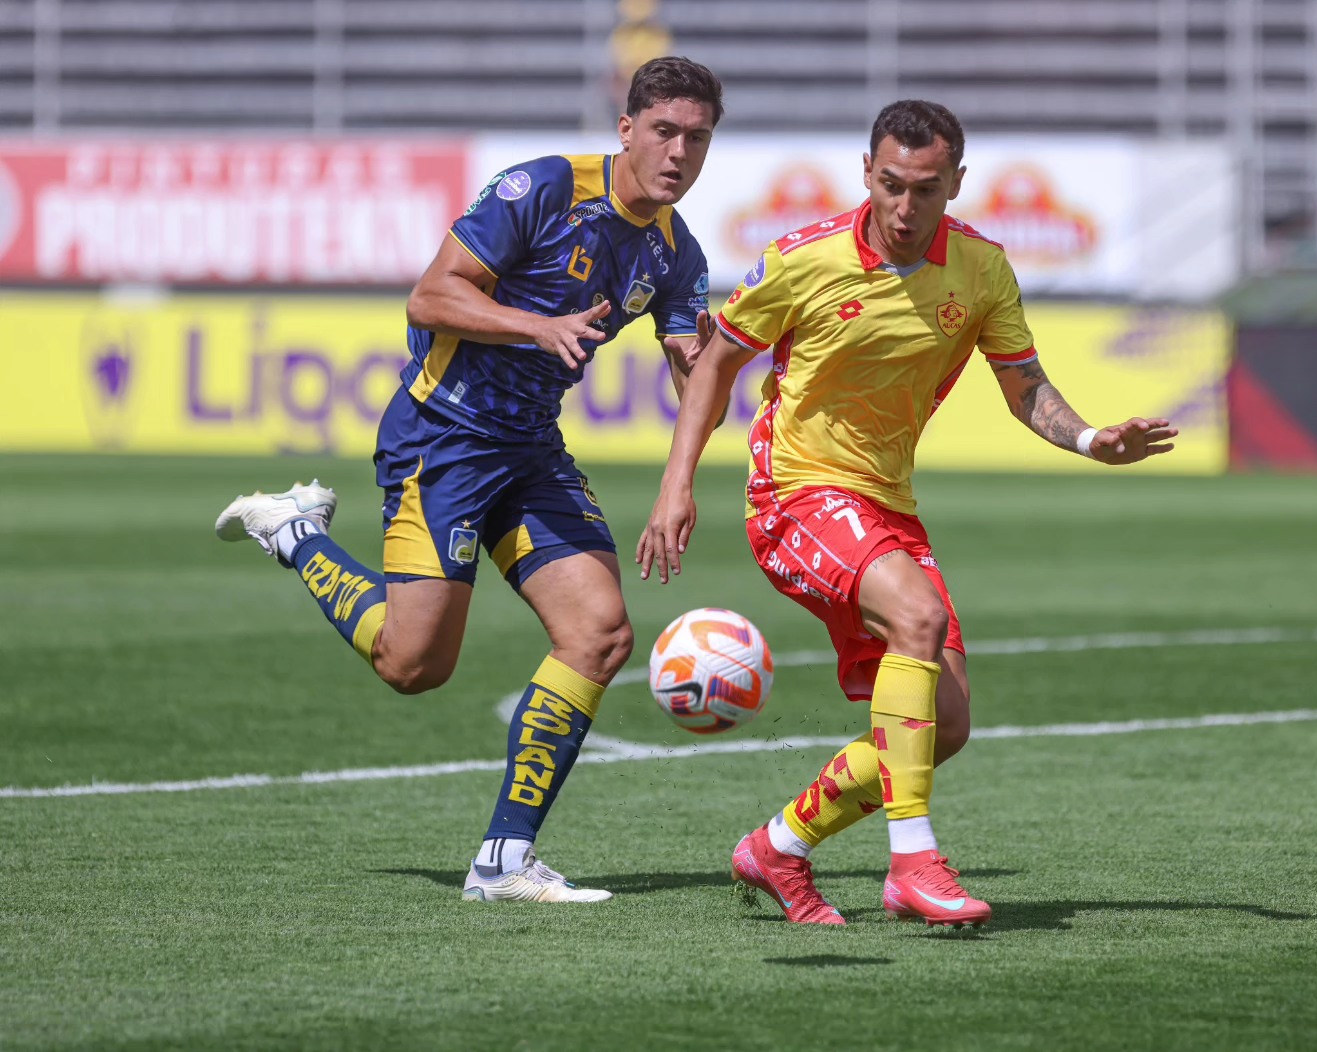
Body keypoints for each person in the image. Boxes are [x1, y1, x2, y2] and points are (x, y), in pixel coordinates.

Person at [637, 99, 1177, 928]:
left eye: (925, 189)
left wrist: (1093, 437)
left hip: (887, 507)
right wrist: (678, 486)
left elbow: (1024, 387)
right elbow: (715, 364)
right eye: (890, 184)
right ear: (866, 172)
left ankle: (778, 847)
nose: (904, 207)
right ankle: (912, 864)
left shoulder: (983, 270)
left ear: (956, 184)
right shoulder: (801, 260)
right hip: (794, 495)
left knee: (944, 723)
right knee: (919, 618)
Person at [216, 56, 724, 905]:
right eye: (664, 131)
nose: (678, 152)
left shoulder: (676, 252)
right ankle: (293, 532)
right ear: (627, 128)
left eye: (698, 138)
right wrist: (537, 325)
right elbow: (428, 297)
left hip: (531, 451)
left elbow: (693, 370)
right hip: (442, 438)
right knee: (413, 665)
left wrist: (690, 469)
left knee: (599, 635)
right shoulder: (543, 189)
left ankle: (503, 860)